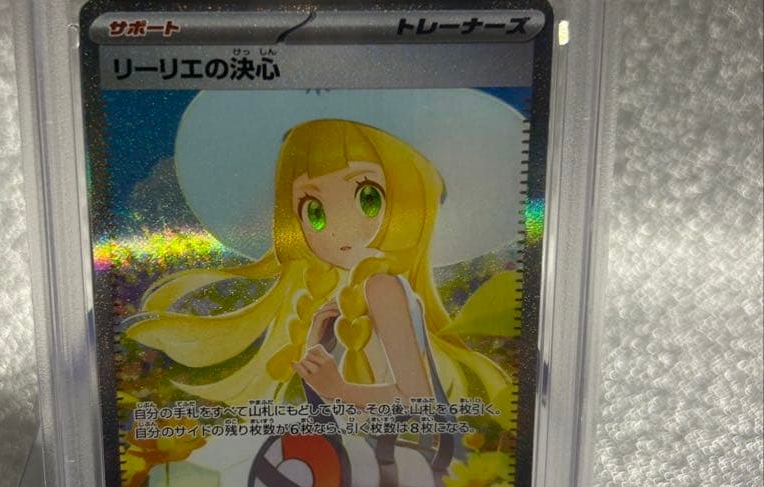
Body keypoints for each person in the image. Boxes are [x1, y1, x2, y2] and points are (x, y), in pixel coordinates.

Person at [127, 118, 513, 411]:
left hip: (394, 462)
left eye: (367, 198)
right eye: (315, 211)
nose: (338, 228)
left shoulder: (382, 287)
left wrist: (339, 389)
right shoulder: (348, 293)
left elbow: (418, 401)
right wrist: (316, 343)